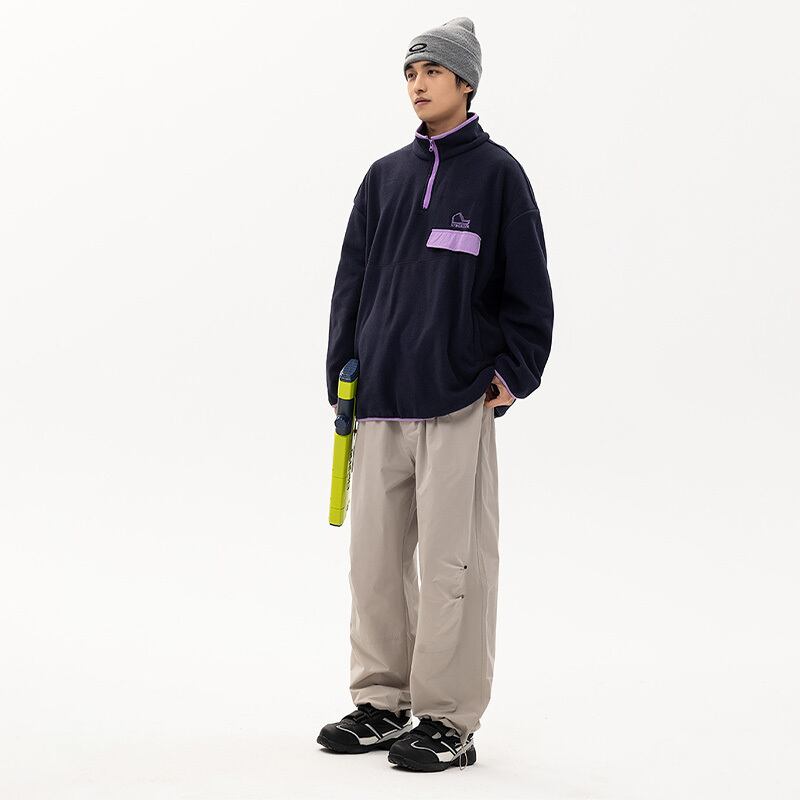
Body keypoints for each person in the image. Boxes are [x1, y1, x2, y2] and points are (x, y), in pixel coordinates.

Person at [319, 16, 554, 772]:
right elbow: (351, 283)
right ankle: (380, 703)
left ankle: (449, 719)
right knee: (375, 564)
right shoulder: (383, 177)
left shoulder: (499, 176)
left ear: (466, 83)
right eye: (410, 72)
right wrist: (343, 374)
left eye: (432, 72)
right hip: (380, 400)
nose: (418, 84)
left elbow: (530, 292)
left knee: (455, 568)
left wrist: (513, 372)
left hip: (457, 402)